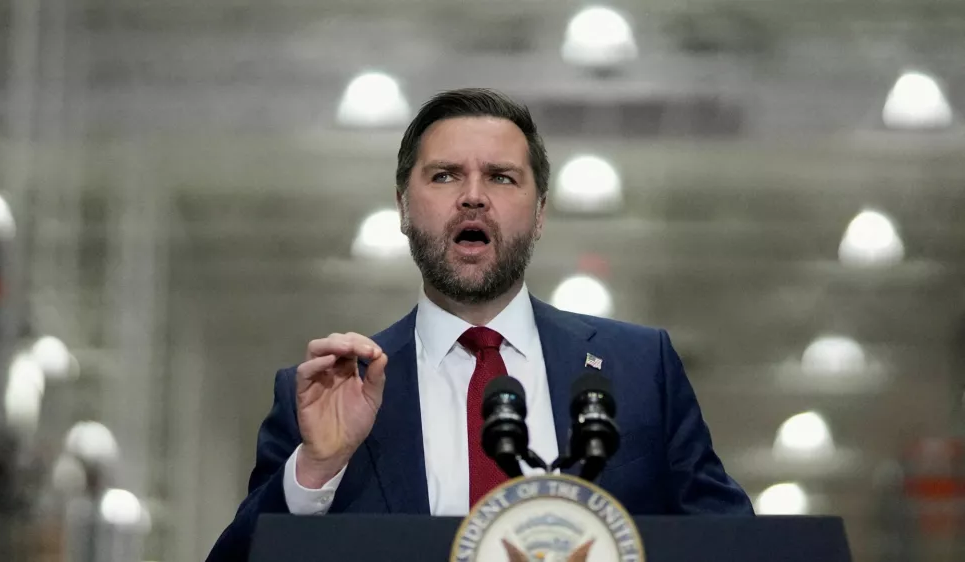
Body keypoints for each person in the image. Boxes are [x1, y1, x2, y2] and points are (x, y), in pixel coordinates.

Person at [206, 88, 752, 561]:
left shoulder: (640, 369)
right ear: (403, 207)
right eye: (444, 175)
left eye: (501, 177)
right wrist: (315, 472)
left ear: (539, 213)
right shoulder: (329, 393)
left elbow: (736, 548)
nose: (472, 196)